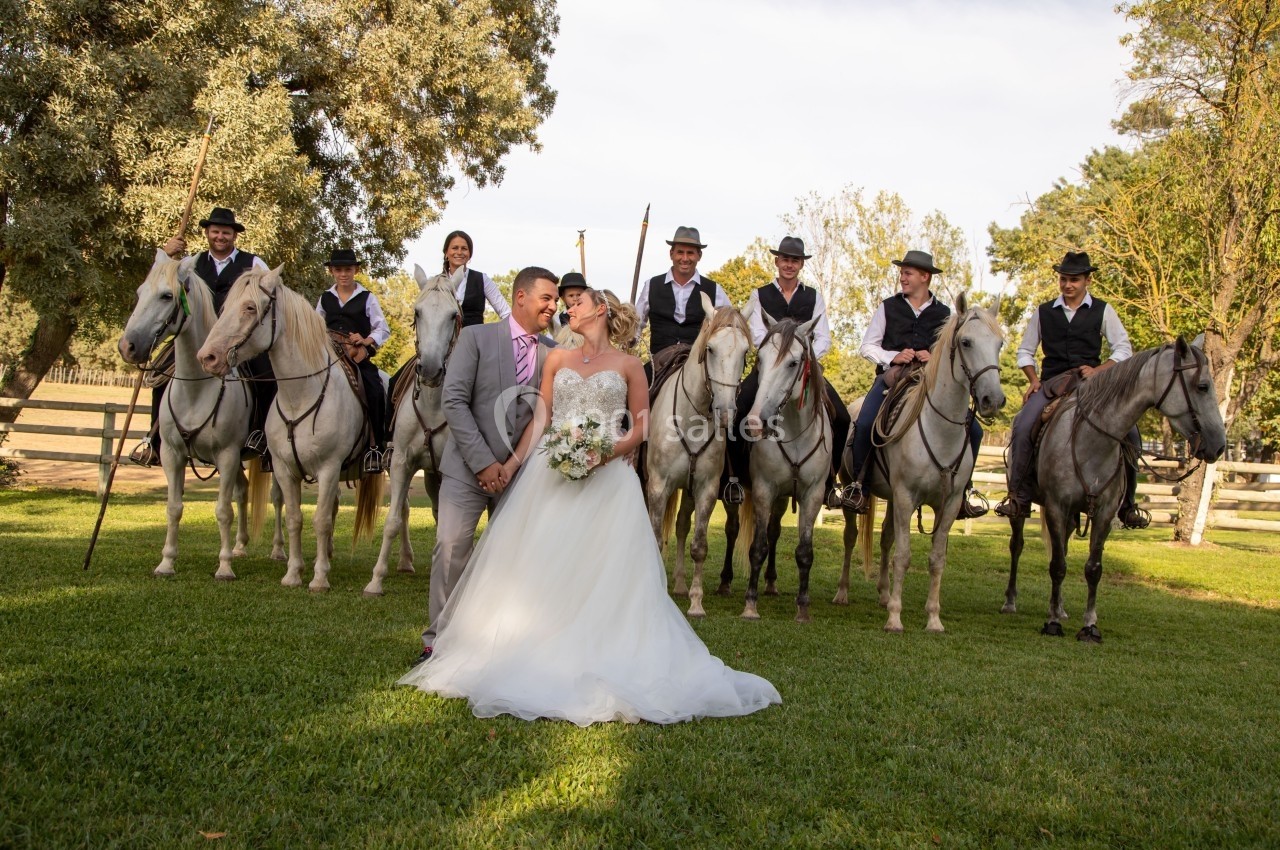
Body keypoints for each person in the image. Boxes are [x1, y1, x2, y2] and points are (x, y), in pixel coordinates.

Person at [399, 287, 781, 725]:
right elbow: (541, 420)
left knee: (604, 570)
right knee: (542, 564)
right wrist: (513, 464)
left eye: (575, 304)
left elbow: (641, 427)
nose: (567, 310)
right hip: (551, 475)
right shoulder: (557, 359)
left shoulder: (629, 365)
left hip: (608, 479)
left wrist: (605, 452)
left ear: (599, 309)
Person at [416, 267, 560, 663]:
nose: (554, 305)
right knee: (450, 548)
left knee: (513, 558)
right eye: (547, 297)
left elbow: (542, 416)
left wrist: (510, 467)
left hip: (519, 475)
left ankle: (503, 642)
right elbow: (454, 401)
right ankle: (437, 641)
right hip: (466, 469)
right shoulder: (476, 338)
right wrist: (483, 463)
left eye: (556, 299)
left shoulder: (552, 352)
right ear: (520, 297)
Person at [995, 251, 1147, 528]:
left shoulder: (1103, 310)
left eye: (1074, 280)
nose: (1068, 285)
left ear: (1088, 280)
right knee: (1023, 425)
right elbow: (1025, 351)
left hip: (1093, 385)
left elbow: (1123, 349)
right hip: (1052, 383)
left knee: (1132, 434)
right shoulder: (1043, 312)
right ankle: (1019, 496)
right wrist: (1033, 379)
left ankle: (1127, 505)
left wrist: (1099, 370)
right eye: (1063, 279)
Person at [843, 250, 987, 517]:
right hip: (892, 378)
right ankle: (859, 487)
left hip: (930, 382)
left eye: (907, 273)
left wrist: (933, 357)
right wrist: (893, 356)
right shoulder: (888, 306)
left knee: (975, 431)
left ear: (925, 276)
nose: (902, 278)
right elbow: (867, 346)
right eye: (902, 273)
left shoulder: (945, 313)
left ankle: (964, 491)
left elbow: (952, 353)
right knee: (864, 423)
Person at [131, 207, 272, 468]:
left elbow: (269, 296)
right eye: (215, 231)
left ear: (234, 236)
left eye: (226, 233)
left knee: (266, 376)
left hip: (236, 340)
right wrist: (167, 255)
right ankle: (155, 443)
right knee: (160, 378)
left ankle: (261, 439)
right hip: (195, 338)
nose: (220, 237)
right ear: (207, 233)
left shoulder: (254, 263)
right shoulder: (189, 264)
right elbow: (157, 286)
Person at [731, 237, 851, 508]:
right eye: (785, 259)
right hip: (768, 369)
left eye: (794, 260)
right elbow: (757, 333)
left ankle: (830, 483)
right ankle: (735, 479)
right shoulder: (760, 294)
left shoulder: (814, 297)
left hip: (804, 369)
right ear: (777, 261)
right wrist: (776, 354)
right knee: (738, 411)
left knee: (842, 418)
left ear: (801, 264)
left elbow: (824, 337)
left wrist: (804, 357)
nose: (789, 264)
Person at [314, 248, 390, 474]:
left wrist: (365, 340)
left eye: (348, 269)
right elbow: (315, 325)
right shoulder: (325, 298)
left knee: (375, 389)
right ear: (332, 271)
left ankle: (375, 447)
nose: (343, 274)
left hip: (355, 355)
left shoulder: (368, 297)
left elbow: (382, 328)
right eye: (338, 270)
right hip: (328, 353)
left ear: (356, 270)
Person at [633, 226, 731, 383]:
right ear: (671, 254)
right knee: (631, 392)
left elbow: (728, 327)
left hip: (699, 367)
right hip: (658, 365)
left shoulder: (715, 290)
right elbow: (636, 323)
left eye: (690, 253)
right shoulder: (652, 285)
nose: (685, 258)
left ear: (699, 255)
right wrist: (631, 338)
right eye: (680, 252)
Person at [441, 230, 511, 326]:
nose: (459, 252)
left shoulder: (482, 279)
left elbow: (506, 313)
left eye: (464, 248)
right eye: (455, 248)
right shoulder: (435, 283)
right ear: (446, 252)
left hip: (475, 336)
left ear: (470, 254)